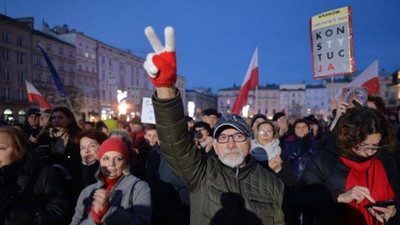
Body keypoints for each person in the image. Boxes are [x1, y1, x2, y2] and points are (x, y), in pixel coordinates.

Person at [143, 26, 284, 225]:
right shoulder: (201, 173)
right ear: (215, 146)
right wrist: (166, 89)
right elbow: (175, 144)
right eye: (223, 138)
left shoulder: (273, 183)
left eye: (238, 136)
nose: (231, 143)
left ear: (249, 142)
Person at [294, 107, 400, 225]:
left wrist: (393, 211)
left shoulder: (385, 161)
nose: (369, 152)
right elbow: (300, 198)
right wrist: (339, 198)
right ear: (349, 138)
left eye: (375, 146)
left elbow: (397, 197)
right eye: (363, 145)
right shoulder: (324, 159)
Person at [70, 137, 152, 225]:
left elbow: (142, 223)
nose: (111, 164)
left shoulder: (139, 188)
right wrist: (95, 217)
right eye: (106, 158)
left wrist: (109, 211)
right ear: (100, 161)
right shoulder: (87, 191)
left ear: (126, 162)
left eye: (118, 159)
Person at [0, 127, 71, 225]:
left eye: (1, 148)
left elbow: (57, 214)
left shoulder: (46, 175)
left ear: (20, 151)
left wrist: (21, 213)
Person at [71, 130, 108, 200]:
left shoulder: (108, 169)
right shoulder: (73, 169)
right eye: (82, 148)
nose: (86, 151)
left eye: (92, 146)